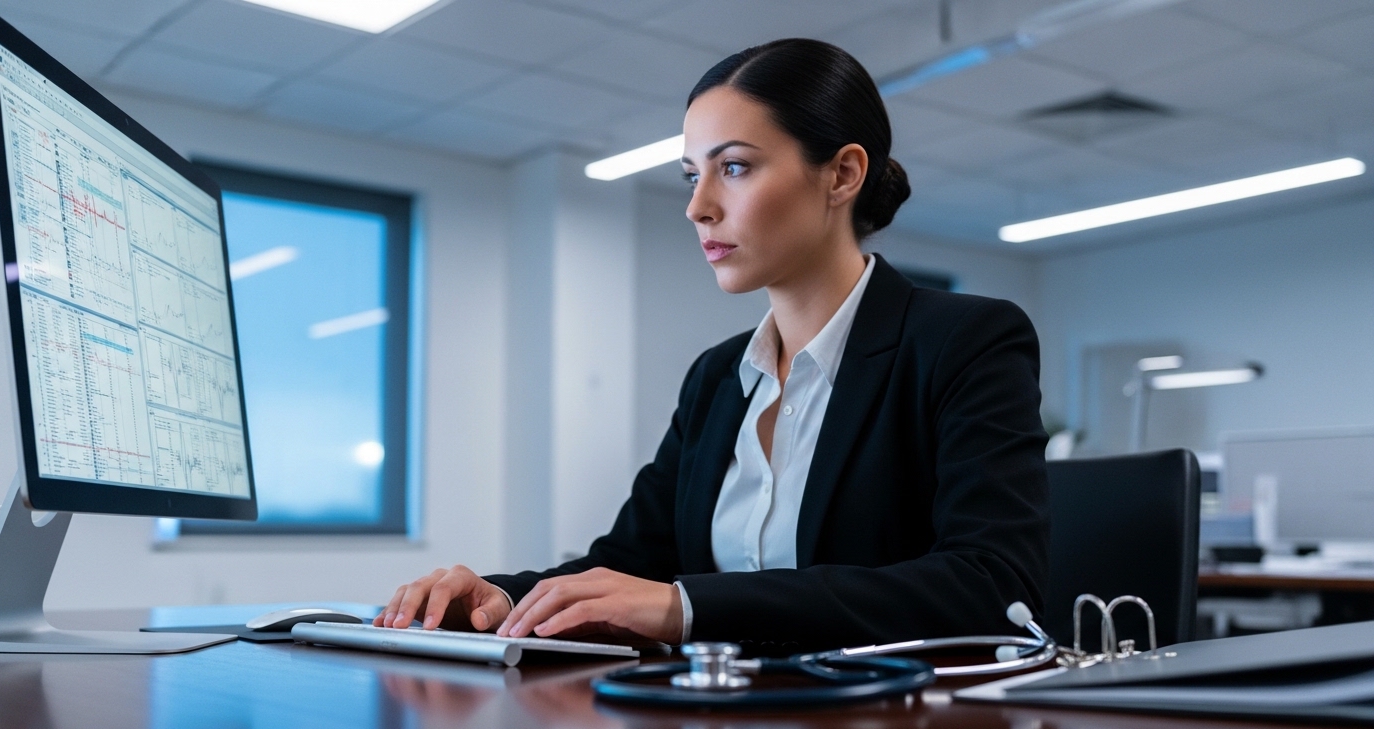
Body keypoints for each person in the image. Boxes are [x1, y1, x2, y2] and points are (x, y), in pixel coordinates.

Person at [376, 38, 1049, 652]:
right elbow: (634, 561)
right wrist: (503, 600)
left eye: (733, 168)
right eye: (691, 176)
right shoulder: (718, 376)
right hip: (717, 727)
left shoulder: (965, 341)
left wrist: (690, 608)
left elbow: (992, 586)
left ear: (842, 175)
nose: (698, 207)